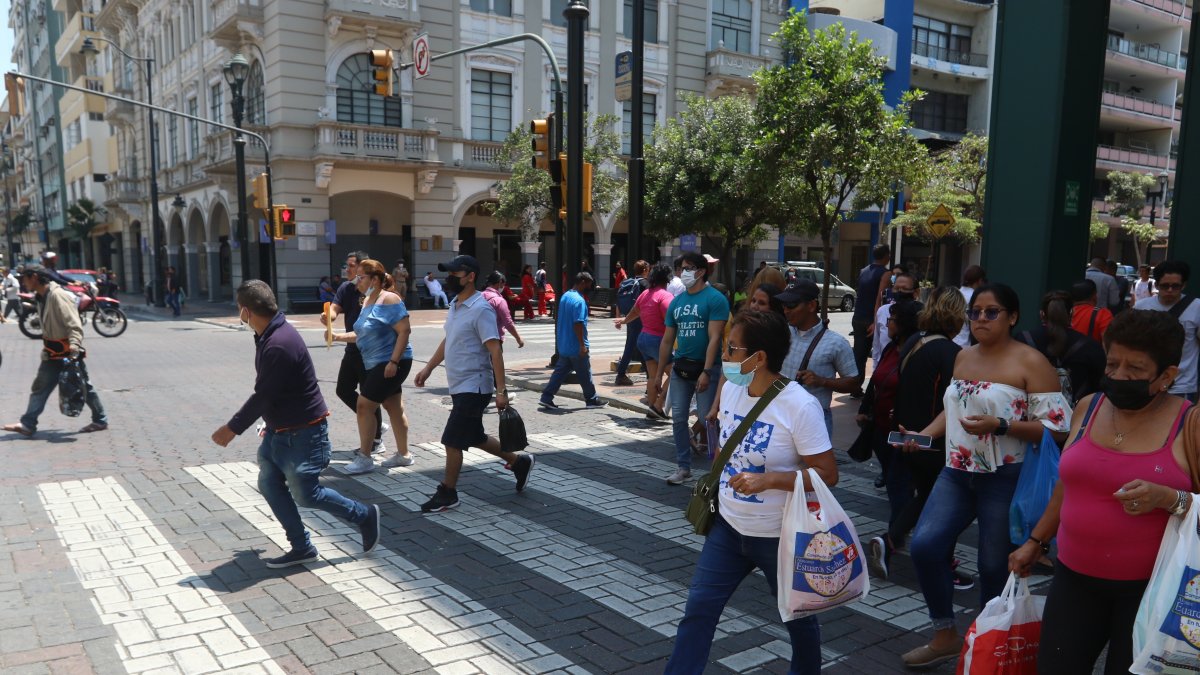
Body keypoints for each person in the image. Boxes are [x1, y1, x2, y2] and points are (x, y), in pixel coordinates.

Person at [1009, 310, 1196, 674]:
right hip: (1074, 579)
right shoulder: (1088, 406)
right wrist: (1036, 540)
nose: (1119, 376)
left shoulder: (1191, 424)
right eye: (1112, 363)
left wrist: (1168, 498)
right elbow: (1069, 485)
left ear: (1167, 376)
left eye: (1135, 369)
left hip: (1152, 592)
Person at [898, 283, 1072, 668]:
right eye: (974, 311)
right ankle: (945, 633)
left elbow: (1059, 429)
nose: (980, 319)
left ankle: (985, 646)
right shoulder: (962, 357)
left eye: (991, 312)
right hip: (956, 473)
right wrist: (924, 435)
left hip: (1006, 478)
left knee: (993, 567)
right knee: (925, 546)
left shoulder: (1032, 363)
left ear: (1011, 317)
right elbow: (956, 408)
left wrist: (1002, 424)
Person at [665, 309, 837, 675]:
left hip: (779, 536)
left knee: (799, 619)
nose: (724, 359)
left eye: (731, 349)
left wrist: (771, 480)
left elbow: (827, 474)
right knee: (699, 609)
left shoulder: (799, 405)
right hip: (727, 528)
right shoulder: (731, 389)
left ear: (758, 358)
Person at [210, 280, 381, 568]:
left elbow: (264, 394)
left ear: (246, 312)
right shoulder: (270, 333)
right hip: (280, 431)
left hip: (304, 433)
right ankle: (302, 546)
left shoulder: (278, 343)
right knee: (269, 483)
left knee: (307, 494)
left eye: (239, 310)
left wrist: (232, 428)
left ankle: (363, 515)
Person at [413, 255, 536, 513]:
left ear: (470, 276)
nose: (450, 278)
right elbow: (449, 341)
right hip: (459, 385)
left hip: (475, 386)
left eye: (455, 273)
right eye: (449, 273)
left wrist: (501, 391)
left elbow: (495, 350)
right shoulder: (456, 305)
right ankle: (519, 462)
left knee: (452, 440)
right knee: (474, 436)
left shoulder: (481, 309)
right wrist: (428, 368)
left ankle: (448, 492)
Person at [866, 287, 965, 581]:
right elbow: (954, 402)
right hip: (933, 440)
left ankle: (890, 540)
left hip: (907, 436)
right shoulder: (951, 352)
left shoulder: (914, 342)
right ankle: (941, 564)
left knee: (925, 497)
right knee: (948, 504)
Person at [652, 252, 730, 484]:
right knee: (678, 419)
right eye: (680, 268)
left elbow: (715, 338)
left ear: (701, 271)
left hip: (708, 369)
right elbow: (667, 340)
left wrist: (707, 371)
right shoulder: (677, 302)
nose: (682, 273)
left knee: (710, 420)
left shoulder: (715, 300)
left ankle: (718, 470)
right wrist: (658, 375)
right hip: (680, 369)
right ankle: (683, 467)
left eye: (687, 268)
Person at [3, 265, 109, 437]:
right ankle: (27, 424)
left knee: (83, 386)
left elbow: (74, 324)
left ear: (35, 277)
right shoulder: (41, 296)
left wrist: (74, 346)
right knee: (40, 387)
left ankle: (100, 420)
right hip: (51, 352)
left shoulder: (58, 296)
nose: (22, 282)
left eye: (24, 278)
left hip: (68, 352)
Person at [331, 260, 415, 474]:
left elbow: (404, 331)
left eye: (361, 277)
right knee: (393, 406)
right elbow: (361, 333)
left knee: (364, 405)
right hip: (376, 362)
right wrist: (338, 336)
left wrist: (393, 362)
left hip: (391, 362)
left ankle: (365, 458)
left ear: (375, 280)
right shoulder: (368, 300)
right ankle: (404, 455)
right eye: (357, 277)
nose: (357, 281)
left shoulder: (389, 299)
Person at [321, 252, 388, 466]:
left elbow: (369, 330)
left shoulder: (377, 295)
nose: (348, 270)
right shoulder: (346, 288)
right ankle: (376, 425)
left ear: (364, 270)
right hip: (352, 350)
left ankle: (375, 438)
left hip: (370, 352)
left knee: (368, 397)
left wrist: (338, 336)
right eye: (348, 266)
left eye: (352, 267)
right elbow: (335, 307)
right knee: (343, 389)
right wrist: (328, 317)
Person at [778, 279, 860, 438]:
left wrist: (822, 381)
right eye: (784, 305)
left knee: (816, 464)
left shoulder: (836, 343)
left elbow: (854, 383)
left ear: (811, 306)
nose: (786, 310)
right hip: (781, 414)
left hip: (814, 420)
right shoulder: (782, 332)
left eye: (792, 305)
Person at [1019, 290, 1106, 405]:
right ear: (1071, 313)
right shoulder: (1091, 346)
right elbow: (1099, 386)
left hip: (1030, 413)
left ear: (1042, 314)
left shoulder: (1023, 340)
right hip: (1076, 416)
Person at [1134, 259, 1200, 402]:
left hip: (1183, 386)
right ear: (1156, 284)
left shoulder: (1197, 307)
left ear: (1184, 285)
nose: (1170, 290)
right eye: (1165, 286)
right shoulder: (1140, 307)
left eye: (1175, 286)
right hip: (1147, 383)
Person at [540, 272, 606, 409]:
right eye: (589, 283)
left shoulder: (565, 296)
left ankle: (546, 397)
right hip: (576, 346)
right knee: (585, 374)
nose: (590, 286)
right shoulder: (579, 301)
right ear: (582, 282)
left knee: (559, 373)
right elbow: (578, 323)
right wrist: (582, 345)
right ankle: (591, 400)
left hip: (564, 345)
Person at [617, 263, 674, 419]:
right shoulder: (665, 296)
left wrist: (624, 321)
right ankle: (658, 406)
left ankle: (652, 409)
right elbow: (672, 318)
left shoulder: (646, 293)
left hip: (643, 339)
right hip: (658, 340)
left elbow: (635, 311)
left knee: (652, 375)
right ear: (667, 278)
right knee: (675, 374)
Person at [852, 244, 891, 396]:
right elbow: (879, 299)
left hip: (858, 317)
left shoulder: (863, 271)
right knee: (877, 354)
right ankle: (871, 389)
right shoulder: (885, 274)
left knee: (859, 355)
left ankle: (855, 387)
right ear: (886, 256)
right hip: (870, 319)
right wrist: (875, 321)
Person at [613, 260, 649, 387]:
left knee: (634, 345)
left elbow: (618, 299)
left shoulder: (627, 282)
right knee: (639, 346)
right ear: (645, 270)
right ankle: (621, 375)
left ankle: (623, 374)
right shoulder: (645, 284)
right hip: (640, 318)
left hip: (630, 317)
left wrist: (620, 318)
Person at [872, 271, 917, 365]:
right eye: (896, 288)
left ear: (916, 292)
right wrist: (876, 368)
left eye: (904, 288)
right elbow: (877, 346)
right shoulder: (882, 311)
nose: (899, 291)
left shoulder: (921, 314)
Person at [481, 271, 525, 348]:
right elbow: (508, 323)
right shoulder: (499, 300)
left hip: (479, 337)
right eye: (503, 284)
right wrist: (518, 338)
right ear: (500, 282)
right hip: (494, 339)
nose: (503, 287)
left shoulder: (478, 296)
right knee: (495, 360)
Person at [953, 265, 986, 347]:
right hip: (966, 344)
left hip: (952, 340)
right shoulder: (976, 297)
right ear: (980, 281)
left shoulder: (954, 295)